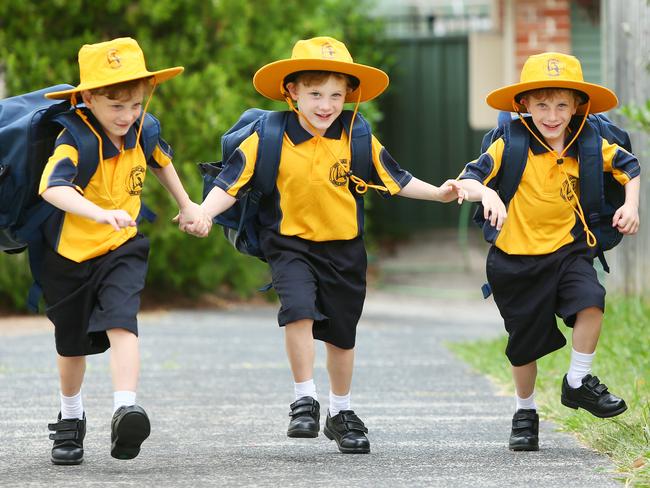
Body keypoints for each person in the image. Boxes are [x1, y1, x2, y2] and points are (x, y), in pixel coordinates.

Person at [184, 36, 467, 454]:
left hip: (345, 249)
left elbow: (397, 177)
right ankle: (304, 399)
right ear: (292, 92)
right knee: (296, 310)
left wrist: (439, 193)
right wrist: (205, 212)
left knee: (341, 334)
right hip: (289, 243)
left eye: (336, 95)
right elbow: (230, 181)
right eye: (315, 93)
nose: (326, 104)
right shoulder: (268, 135)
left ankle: (341, 412)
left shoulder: (356, 135)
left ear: (348, 97)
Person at [39, 37, 211, 465]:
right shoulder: (73, 138)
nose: (128, 115)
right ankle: (71, 417)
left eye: (135, 104)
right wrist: (97, 212)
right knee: (71, 344)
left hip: (122, 246)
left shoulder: (143, 127)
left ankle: (125, 408)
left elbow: (161, 162)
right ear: (89, 98)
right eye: (116, 106)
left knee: (122, 320)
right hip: (69, 254)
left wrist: (187, 204)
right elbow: (52, 187)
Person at [456, 52, 640, 451]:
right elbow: (465, 180)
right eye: (542, 104)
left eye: (561, 104)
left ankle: (578, 381)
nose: (552, 115)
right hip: (514, 260)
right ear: (524, 105)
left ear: (577, 106)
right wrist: (486, 192)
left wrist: (630, 204)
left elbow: (629, 166)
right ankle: (525, 412)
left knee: (592, 301)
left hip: (567, 252)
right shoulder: (511, 144)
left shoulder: (589, 143)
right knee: (525, 344)